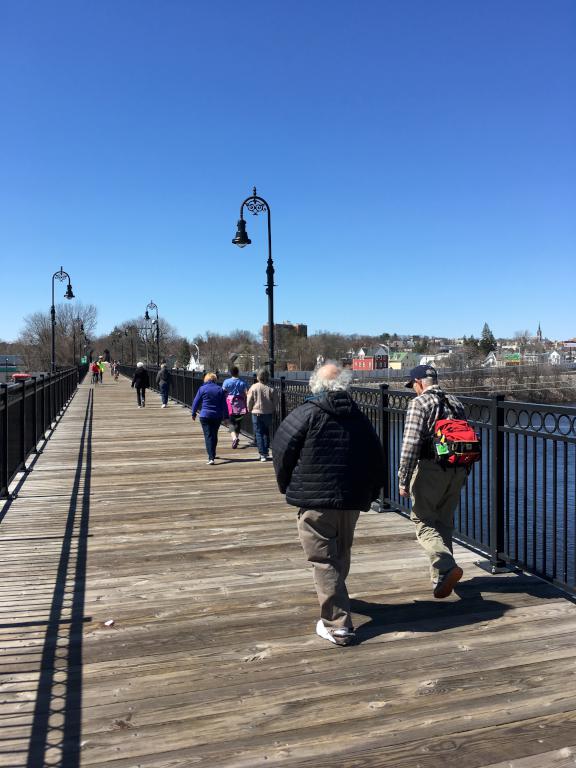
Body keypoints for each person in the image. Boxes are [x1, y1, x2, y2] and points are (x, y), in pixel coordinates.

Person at [272, 362, 385, 646]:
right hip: (350, 500)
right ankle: (338, 600)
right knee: (340, 553)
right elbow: (377, 458)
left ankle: (337, 625)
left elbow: (281, 450)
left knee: (323, 560)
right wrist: (371, 493)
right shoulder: (360, 416)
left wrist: (287, 486)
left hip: (315, 501)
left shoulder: (306, 413)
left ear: (315, 385)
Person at [399, 364, 468, 599]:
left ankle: (446, 567)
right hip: (457, 470)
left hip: (431, 469)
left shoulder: (419, 404)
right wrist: (464, 473)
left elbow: (410, 446)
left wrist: (403, 479)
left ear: (419, 383)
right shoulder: (455, 402)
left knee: (423, 520)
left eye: (413, 386)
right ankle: (440, 580)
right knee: (444, 523)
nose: (413, 391)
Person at [191, 373, 228, 465]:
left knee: (208, 435)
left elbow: (196, 401)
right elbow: (224, 405)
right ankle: (213, 453)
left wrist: (193, 413)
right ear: (215, 380)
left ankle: (211, 457)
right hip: (217, 416)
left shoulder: (202, 389)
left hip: (205, 415)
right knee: (214, 434)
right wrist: (226, 417)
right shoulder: (220, 389)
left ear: (206, 379)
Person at [247, 368, 278, 461]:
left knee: (259, 433)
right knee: (266, 432)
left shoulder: (254, 387)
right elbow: (276, 401)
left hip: (256, 413)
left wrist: (249, 408)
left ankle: (262, 453)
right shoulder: (271, 388)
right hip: (268, 413)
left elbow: (249, 400)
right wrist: (272, 409)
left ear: (258, 377)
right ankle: (266, 451)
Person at [222, 366, 249, 449]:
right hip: (240, 405)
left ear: (231, 373)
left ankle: (234, 438)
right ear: (238, 372)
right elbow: (247, 393)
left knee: (231, 422)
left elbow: (222, 392)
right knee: (238, 422)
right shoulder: (242, 382)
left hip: (230, 405)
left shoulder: (226, 382)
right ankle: (237, 437)